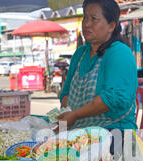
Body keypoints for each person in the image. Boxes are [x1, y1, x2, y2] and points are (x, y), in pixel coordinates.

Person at [57, 0, 138, 134]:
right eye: (85, 18)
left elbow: (111, 98)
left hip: (117, 133)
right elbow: (66, 94)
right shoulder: (80, 54)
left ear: (111, 26)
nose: (87, 24)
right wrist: (65, 120)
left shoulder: (120, 53)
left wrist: (75, 115)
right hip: (79, 134)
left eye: (94, 19)